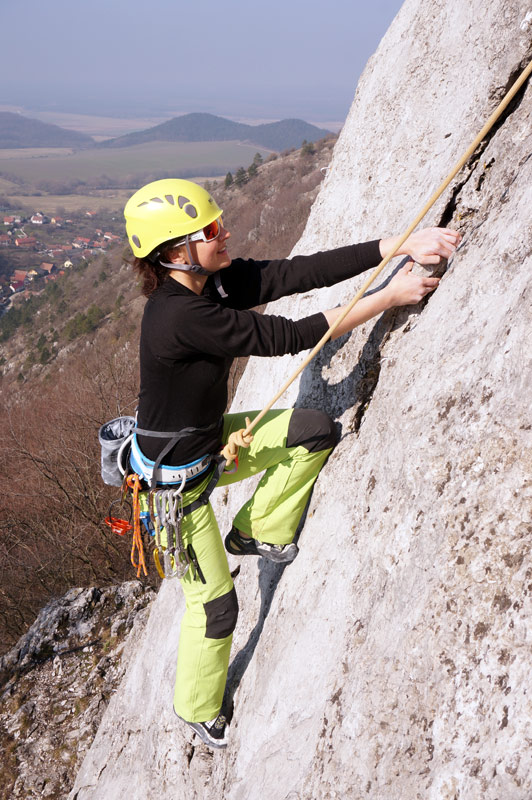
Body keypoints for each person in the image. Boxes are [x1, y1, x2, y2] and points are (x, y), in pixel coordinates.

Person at [124, 178, 460, 749]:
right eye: (210, 230)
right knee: (218, 606)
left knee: (313, 432)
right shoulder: (179, 316)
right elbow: (285, 336)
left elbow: (294, 274)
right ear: (175, 252)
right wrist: (388, 297)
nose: (224, 231)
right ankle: (196, 706)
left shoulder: (211, 282)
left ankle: (257, 531)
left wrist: (400, 244)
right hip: (174, 494)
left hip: (207, 448)